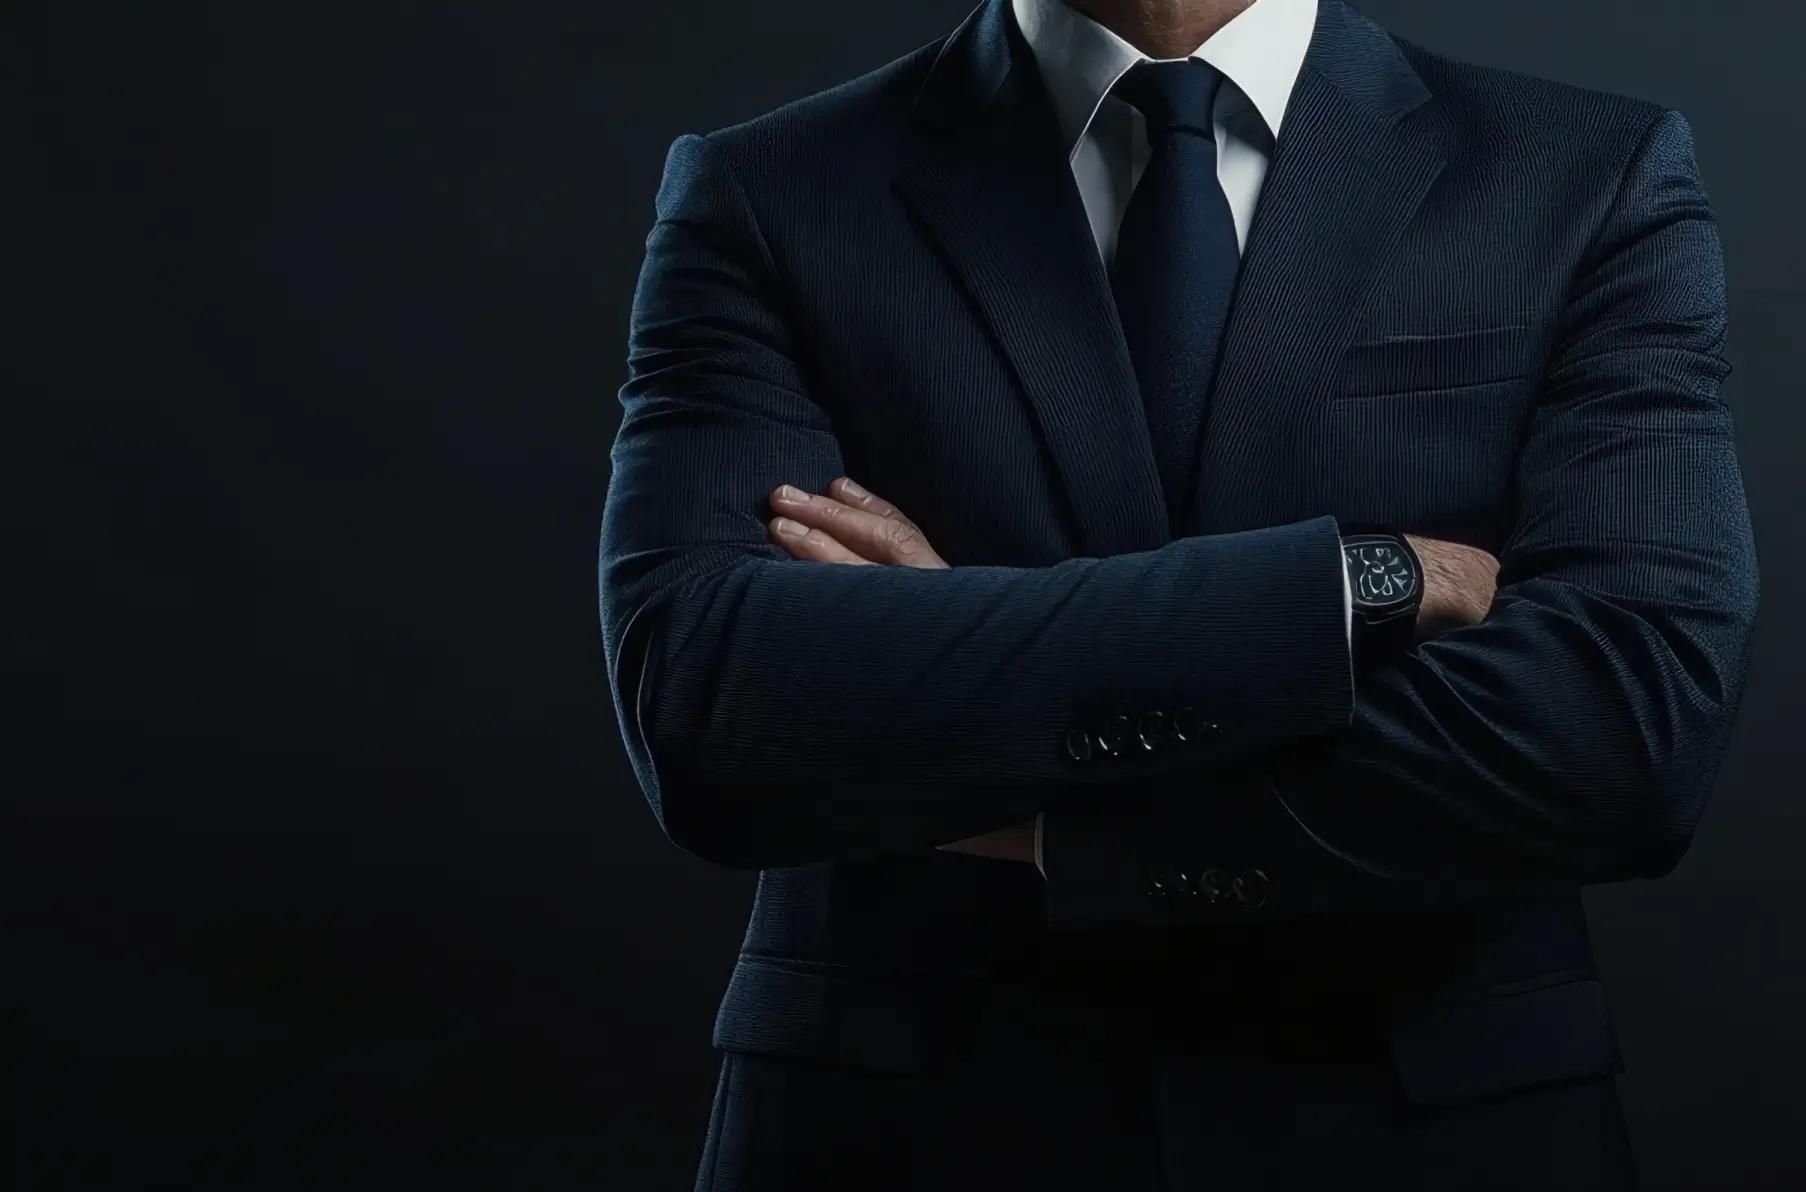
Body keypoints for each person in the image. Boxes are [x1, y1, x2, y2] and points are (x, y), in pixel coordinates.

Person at [599, 0, 1759, 1186]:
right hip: (906, 1132)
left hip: (1434, 1129)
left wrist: (1019, 773)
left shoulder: (1587, 174)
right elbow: (718, 710)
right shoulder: (768, 189)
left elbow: (1623, 731)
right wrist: (1347, 584)